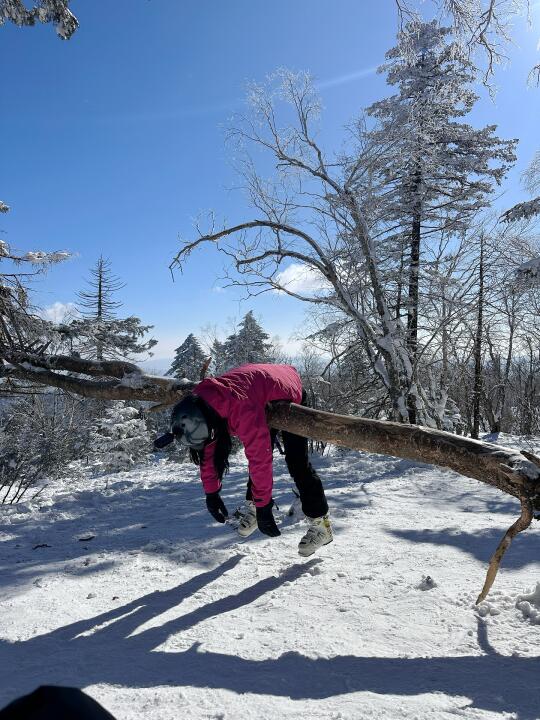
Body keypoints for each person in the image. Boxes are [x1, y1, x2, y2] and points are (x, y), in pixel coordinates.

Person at [157, 363, 332, 556]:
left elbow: (260, 459)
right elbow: (209, 447)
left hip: (288, 392)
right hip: (261, 392)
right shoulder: (201, 404)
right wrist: (211, 493)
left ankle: (321, 524)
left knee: (296, 461)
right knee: (259, 462)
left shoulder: (242, 409)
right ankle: (255, 507)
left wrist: (264, 506)